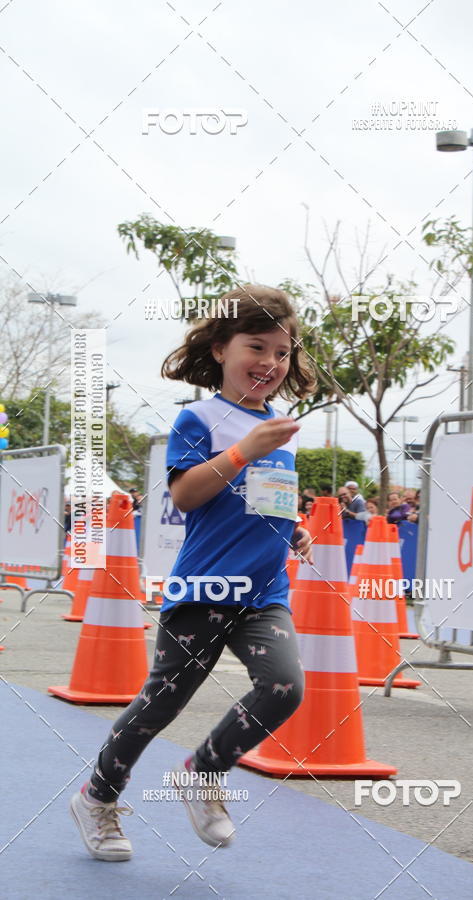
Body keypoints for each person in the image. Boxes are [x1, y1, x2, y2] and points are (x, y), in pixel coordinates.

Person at [70, 284, 317, 860]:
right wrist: (244, 450)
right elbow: (185, 495)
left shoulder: (278, 428)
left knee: (284, 689)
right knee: (160, 704)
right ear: (220, 351)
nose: (271, 364)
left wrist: (293, 526)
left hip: (264, 593)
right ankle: (97, 798)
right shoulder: (199, 419)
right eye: (257, 347)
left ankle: (202, 774)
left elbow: (264, 498)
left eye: (282, 353)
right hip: (203, 590)